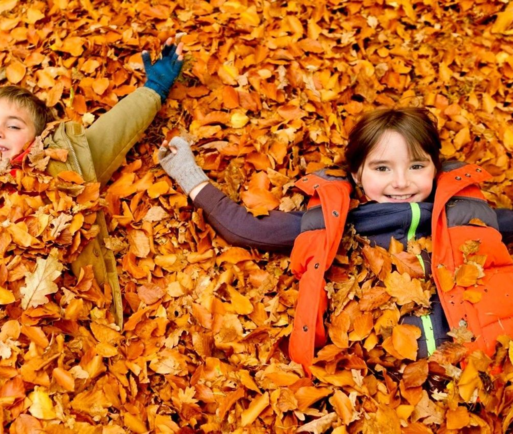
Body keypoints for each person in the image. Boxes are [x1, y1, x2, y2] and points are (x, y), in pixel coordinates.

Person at [158, 107, 513, 371]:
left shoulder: (467, 213)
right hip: (376, 376)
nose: (401, 181)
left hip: (479, 367)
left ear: (436, 169)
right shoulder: (338, 221)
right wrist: (189, 176)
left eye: (417, 166)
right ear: (358, 173)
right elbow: (249, 230)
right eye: (382, 168)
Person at [0, 41, 184, 327]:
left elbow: (112, 133)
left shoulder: (58, 170)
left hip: (22, 305)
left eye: (13, 126)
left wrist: (154, 88)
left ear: (36, 140)